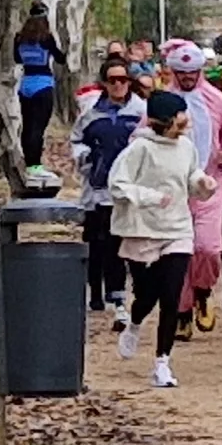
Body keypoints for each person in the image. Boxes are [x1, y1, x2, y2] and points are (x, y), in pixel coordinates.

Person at [103, 88, 208, 385]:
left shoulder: (186, 147)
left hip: (178, 229)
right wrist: (150, 197)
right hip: (142, 229)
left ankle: (162, 363)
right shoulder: (139, 149)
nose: (185, 120)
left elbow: (191, 176)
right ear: (163, 120)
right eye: (179, 115)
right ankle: (135, 323)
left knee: (171, 296)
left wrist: (202, 184)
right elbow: (117, 185)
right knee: (147, 295)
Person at [155, 40, 222, 336]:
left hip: (210, 185)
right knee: (176, 252)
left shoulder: (218, 101)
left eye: (193, 72)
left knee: (207, 248)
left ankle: (203, 290)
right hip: (173, 189)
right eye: (182, 73)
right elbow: (141, 134)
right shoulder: (162, 101)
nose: (188, 77)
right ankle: (181, 312)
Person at [73, 55, 147, 321]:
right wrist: (86, 159)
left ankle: (131, 293)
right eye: (112, 80)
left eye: (123, 80)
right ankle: (103, 295)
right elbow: (77, 141)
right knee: (100, 243)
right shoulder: (90, 113)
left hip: (132, 190)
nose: (118, 85)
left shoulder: (141, 111)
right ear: (104, 83)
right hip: (99, 190)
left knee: (128, 243)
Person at [10, 1, 66, 172]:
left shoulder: (19, 38)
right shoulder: (46, 38)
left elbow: (17, 59)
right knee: (38, 127)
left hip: (25, 84)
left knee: (27, 126)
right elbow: (60, 59)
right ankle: (35, 165)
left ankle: (28, 163)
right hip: (42, 85)